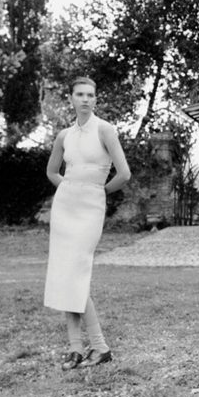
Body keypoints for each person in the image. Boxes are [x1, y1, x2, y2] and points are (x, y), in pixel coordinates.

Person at [45, 77, 131, 368]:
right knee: (65, 275)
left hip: (90, 209)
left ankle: (100, 347)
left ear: (96, 100)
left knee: (77, 275)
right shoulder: (63, 136)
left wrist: (97, 191)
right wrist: (69, 189)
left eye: (90, 95)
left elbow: (124, 174)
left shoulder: (105, 130)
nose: (85, 99)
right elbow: (53, 172)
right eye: (79, 94)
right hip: (65, 209)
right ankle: (76, 349)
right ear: (70, 99)